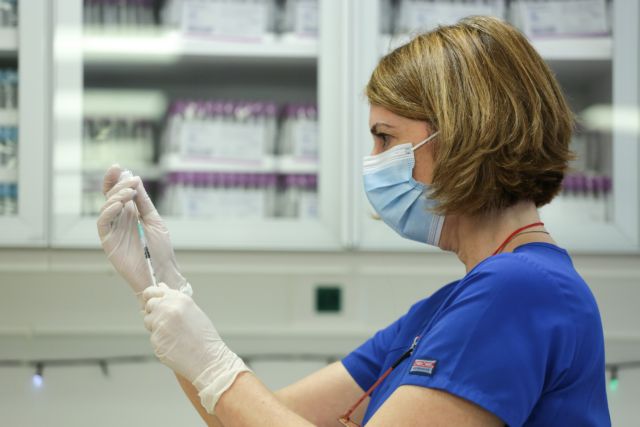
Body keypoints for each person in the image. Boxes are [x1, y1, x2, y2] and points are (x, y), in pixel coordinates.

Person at [98, 16, 610, 427]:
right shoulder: (448, 308)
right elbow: (252, 417)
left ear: (462, 137)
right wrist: (162, 288)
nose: (373, 160)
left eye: (385, 137)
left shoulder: (519, 291)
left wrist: (214, 364)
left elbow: (237, 400)